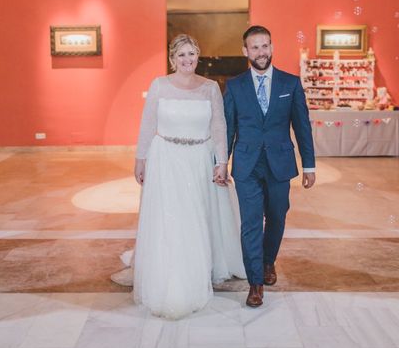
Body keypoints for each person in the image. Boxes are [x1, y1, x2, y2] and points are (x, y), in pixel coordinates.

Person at [132, 34, 245, 319]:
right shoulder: (159, 85)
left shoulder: (209, 88)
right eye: (181, 55)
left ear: (198, 56)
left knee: (197, 215)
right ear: (172, 59)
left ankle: (199, 267)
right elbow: (148, 124)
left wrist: (222, 161)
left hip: (199, 159)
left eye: (191, 54)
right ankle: (172, 269)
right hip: (166, 159)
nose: (187, 60)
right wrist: (140, 158)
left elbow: (219, 125)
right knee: (171, 216)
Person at [224, 25, 316, 308]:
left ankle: (267, 261)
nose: (261, 52)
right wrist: (220, 162)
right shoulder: (235, 85)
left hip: (280, 162)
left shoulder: (290, 84)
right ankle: (255, 283)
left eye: (265, 46)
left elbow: (302, 127)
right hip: (247, 164)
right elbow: (228, 129)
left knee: (277, 217)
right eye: (255, 47)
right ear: (245, 51)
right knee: (251, 223)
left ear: (272, 47)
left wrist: (309, 165)